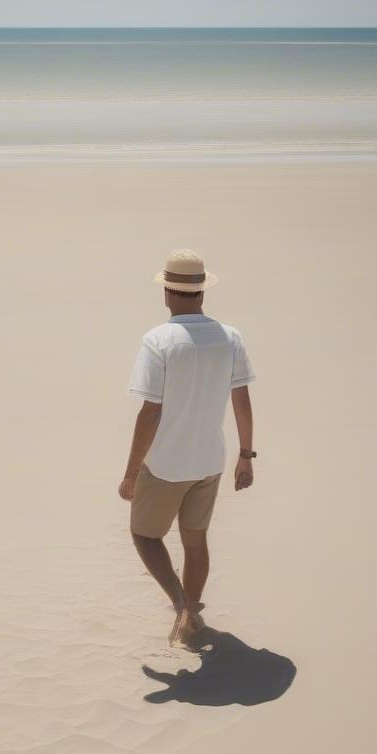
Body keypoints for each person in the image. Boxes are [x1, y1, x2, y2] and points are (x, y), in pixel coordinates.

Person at [118, 249, 257, 647]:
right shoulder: (229, 337)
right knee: (195, 542)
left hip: (165, 464)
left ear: (167, 291)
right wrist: (245, 457)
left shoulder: (158, 340)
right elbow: (242, 401)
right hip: (210, 461)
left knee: (145, 536)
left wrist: (130, 472)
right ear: (201, 292)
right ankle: (192, 612)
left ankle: (181, 605)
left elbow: (150, 412)